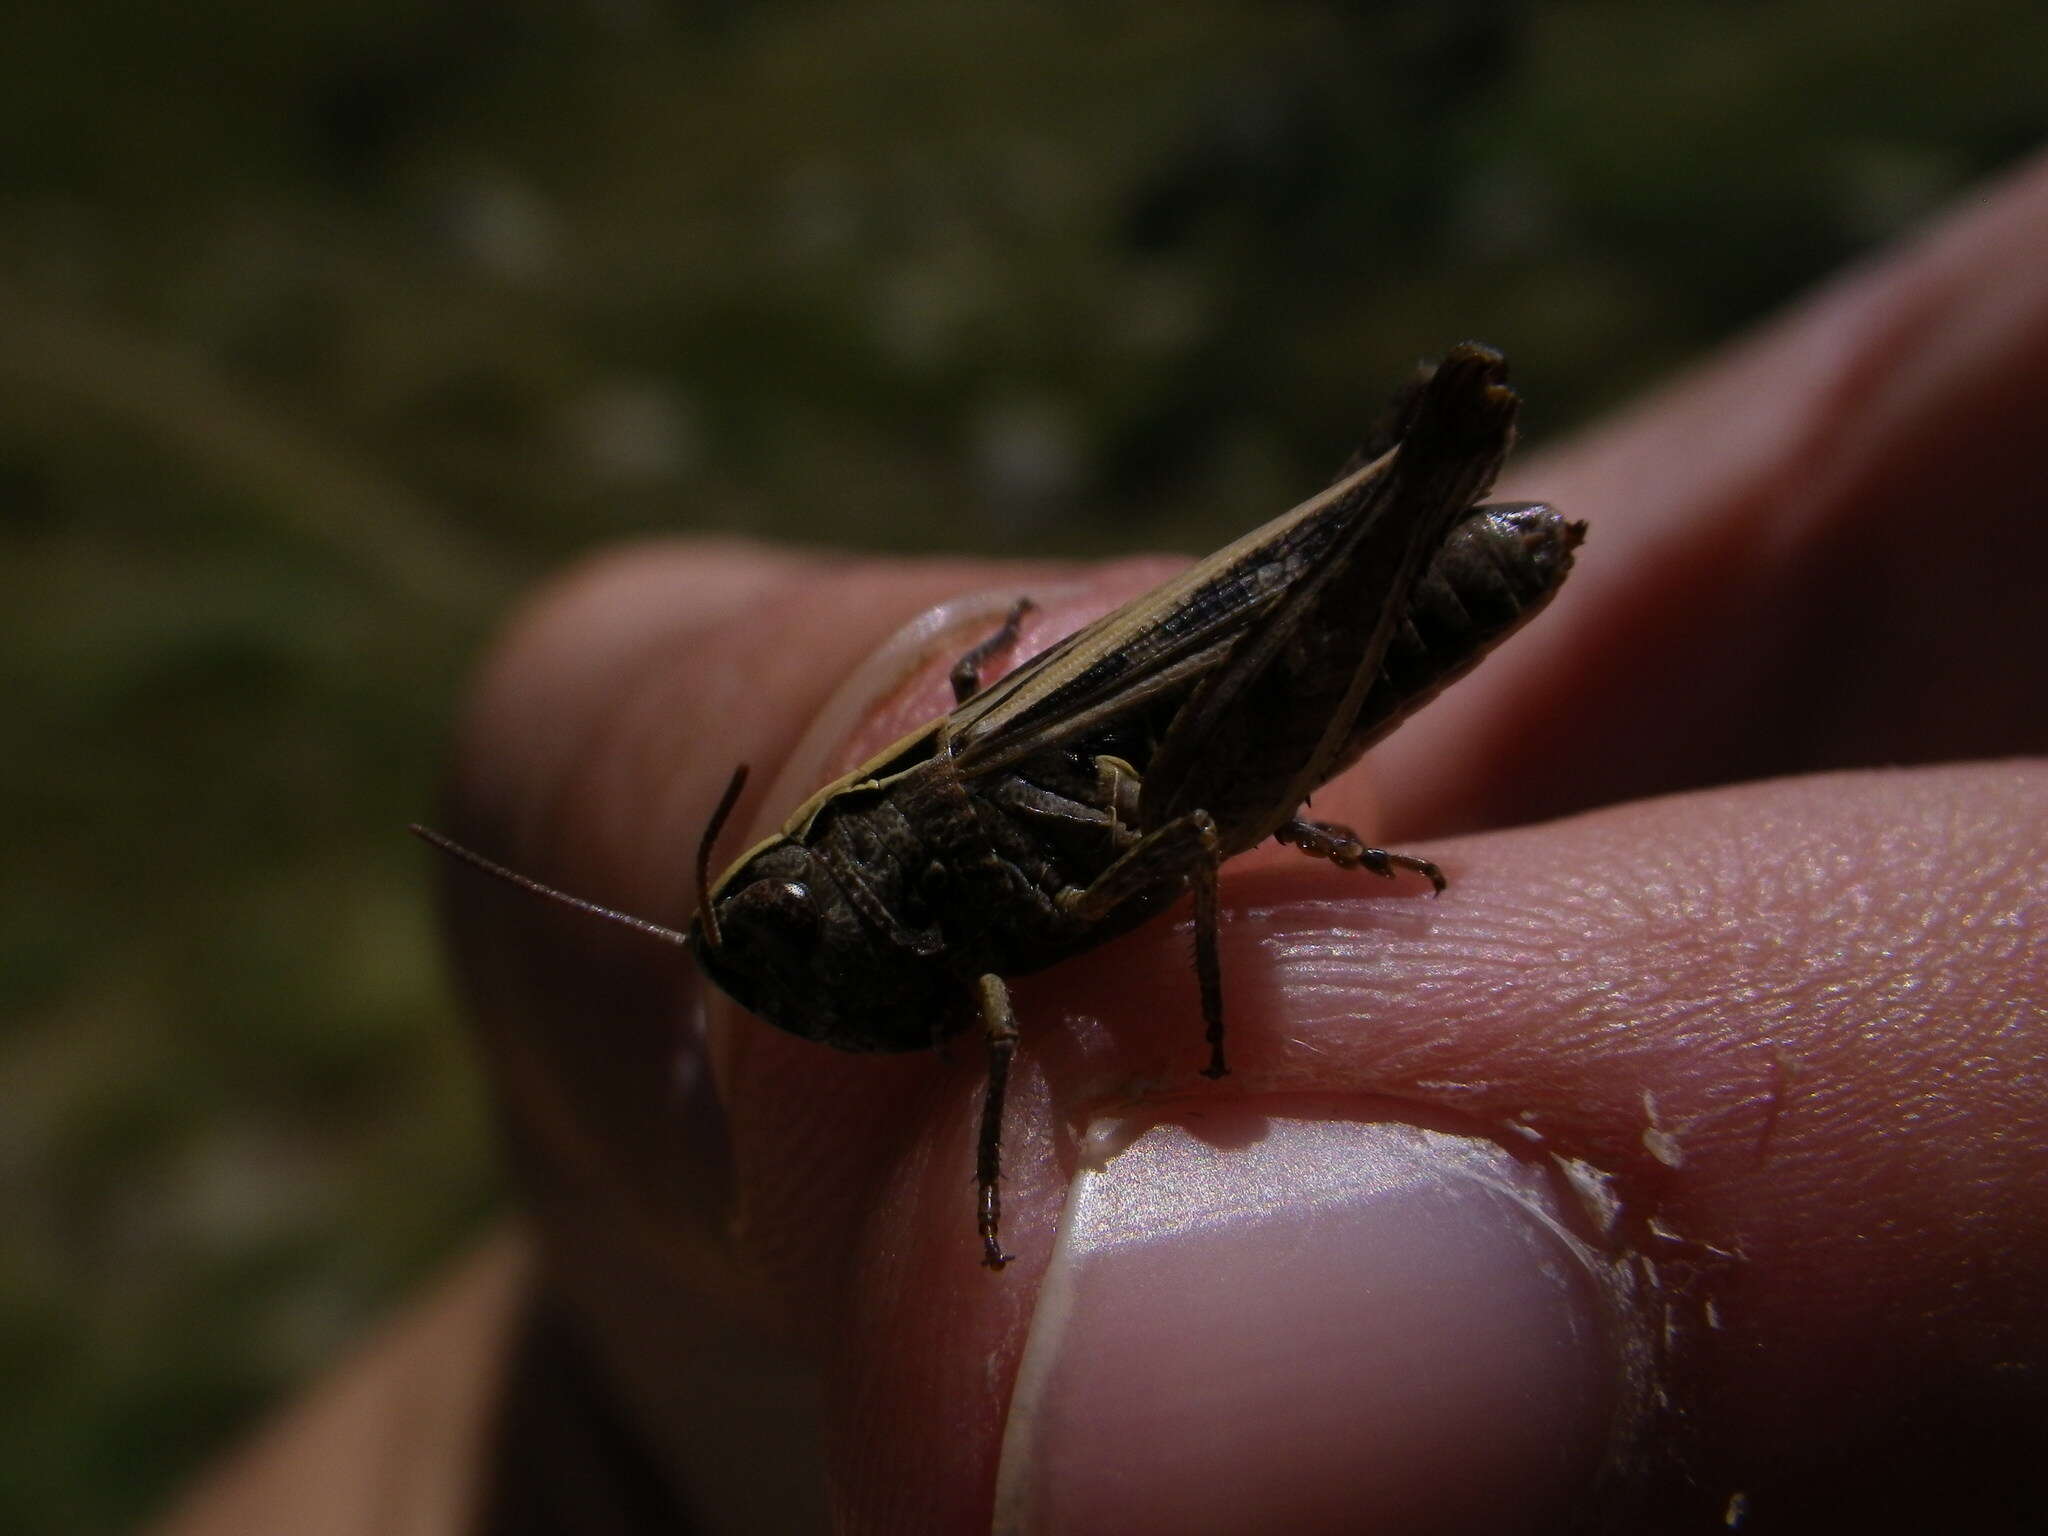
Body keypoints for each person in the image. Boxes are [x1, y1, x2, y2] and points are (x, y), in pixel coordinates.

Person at [159, 151, 2048, 1535]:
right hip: (1254, 732)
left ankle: (1436, 457)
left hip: (1352, 610)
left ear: (851, 853)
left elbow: (1141, 873)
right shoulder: (902, 903)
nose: (808, 964)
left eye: (796, 915)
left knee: (1163, 821)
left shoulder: (963, 837)